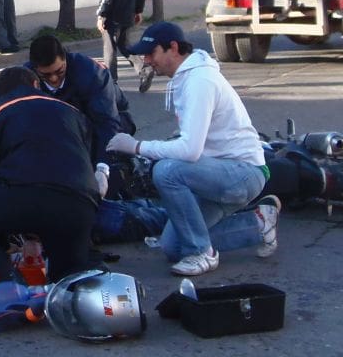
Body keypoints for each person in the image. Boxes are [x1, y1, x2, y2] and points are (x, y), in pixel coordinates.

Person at [106, 20, 277, 277]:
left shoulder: (199, 81)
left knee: (166, 171)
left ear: (173, 48)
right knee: (173, 247)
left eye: (151, 53)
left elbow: (190, 151)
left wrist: (137, 146)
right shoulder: (187, 77)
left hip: (242, 174)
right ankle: (258, 224)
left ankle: (202, 253)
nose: (147, 60)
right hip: (216, 174)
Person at [0, 66, 100, 285]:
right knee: (67, 281)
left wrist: (6, 239)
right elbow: (88, 162)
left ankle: (4, 277)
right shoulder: (71, 111)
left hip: (24, 197)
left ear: (0, 94)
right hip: (79, 204)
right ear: (35, 84)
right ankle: (75, 277)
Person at [26, 33, 134, 161]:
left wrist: (103, 166)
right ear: (35, 69)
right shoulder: (24, 78)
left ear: (65, 59)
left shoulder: (91, 73)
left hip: (106, 121)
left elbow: (106, 123)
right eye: (45, 75)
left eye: (59, 71)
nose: (53, 79)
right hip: (64, 126)